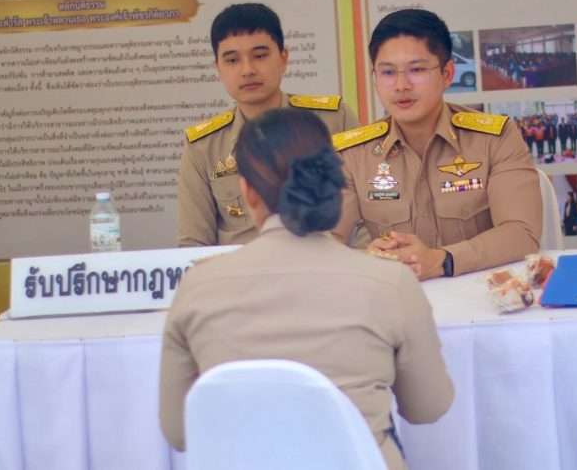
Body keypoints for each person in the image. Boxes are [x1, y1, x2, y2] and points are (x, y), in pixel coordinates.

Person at [160, 109, 453, 469]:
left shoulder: (198, 286)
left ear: (247, 192)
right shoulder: (390, 282)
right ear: (331, 184)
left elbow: (179, 430)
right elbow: (428, 407)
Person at [331, 8, 542, 279]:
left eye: (416, 69)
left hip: (481, 294)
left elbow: (522, 233)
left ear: (447, 73)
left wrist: (442, 260)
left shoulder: (494, 138)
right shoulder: (353, 154)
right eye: (388, 72)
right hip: (396, 295)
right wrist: (365, 261)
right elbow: (323, 242)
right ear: (375, 78)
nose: (401, 85)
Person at [177, 3, 358, 247]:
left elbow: (367, 213)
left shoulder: (334, 120)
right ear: (218, 68)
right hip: (243, 270)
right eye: (232, 60)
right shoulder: (203, 146)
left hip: (327, 264)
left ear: (283, 59)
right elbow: (194, 243)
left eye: (260, 56)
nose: (247, 70)